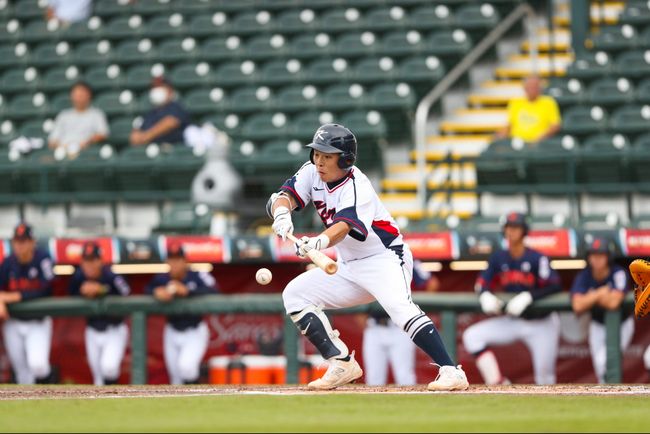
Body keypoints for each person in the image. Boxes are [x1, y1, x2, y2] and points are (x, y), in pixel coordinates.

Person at [268, 123, 468, 391]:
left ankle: (451, 371)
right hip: (350, 265)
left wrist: (319, 241)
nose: (319, 162)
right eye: (316, 154)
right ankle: (340, 361)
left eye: (327, 156)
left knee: (400, 309)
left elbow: (344, 226)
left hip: (384, 258)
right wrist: (282, 214)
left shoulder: (357, 185)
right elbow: (284, 196)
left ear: (346, 159)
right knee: (294, 294)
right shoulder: (311, 172)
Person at [462, 212, 562, 385]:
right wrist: (484, 294)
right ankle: (498, 382)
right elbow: (481, 282)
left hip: (541, 322)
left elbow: (555, 285)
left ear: (524, 231)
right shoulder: (499, 257)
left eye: (516, 228)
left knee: (545, 379)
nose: (511, 232)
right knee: (472, 336)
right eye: (508, 227)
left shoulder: (537, 258)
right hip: (513, 319)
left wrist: (529, 296)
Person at [146, 243, 218, 385]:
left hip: (194, 330)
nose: (175, 264)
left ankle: (197, 399)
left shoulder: (197, 275)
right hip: (172, 330)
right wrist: (156, 292)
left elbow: (215, 290)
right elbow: (147, 289)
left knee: (187, 368)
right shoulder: (162, 279)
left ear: (185, 261)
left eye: (178, 259)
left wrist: (188, 291)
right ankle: (184, 406)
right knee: (176, 378)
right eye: (171, 260)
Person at [362, 261, 439, 386]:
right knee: (373, 379)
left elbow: (432, 283)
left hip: (400, 326)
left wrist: (412, 306)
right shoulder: (365, 260)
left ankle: (410, 406)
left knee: (404, 377)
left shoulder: (403, 257)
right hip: (374, 325)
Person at [570, 237, 634, 384]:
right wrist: (599, 293)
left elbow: (614, 302)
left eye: (601, 255)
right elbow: (577, 305)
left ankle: (612, 395)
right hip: (597, 324)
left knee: (604, 360)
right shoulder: (584, 275)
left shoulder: (618, 273)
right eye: (593, 255)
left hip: (621, 324)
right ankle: (607, 400)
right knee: (600, 367)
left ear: (608, 257)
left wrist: (590, 296)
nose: (596, 259)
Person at [68, 241, 131, 386]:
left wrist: (101, 290)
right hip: (92, 330)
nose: (89, 265)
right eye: (86, 260)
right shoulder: (78, 277)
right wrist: (82, 291)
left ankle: (113, 399)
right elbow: (69, 294)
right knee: (98, 378)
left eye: (93, 260)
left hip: (114, 329)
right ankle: (106, 406)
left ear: (100, 261)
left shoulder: (111, 276)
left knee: (109, 368)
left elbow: (127, 294)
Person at [0, 223, 55, 384]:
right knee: (22, 374)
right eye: (17, 241)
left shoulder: (43, 259)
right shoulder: (8, 263)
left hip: (37, 321)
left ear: (32, 242)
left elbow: (47, 289)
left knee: (38, 366)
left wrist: (15, 296)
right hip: (13, 322)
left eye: (24, 241)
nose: (20, 245)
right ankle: (35, 407)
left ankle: (51, 396)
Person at [494, 75, 562, 145]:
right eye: (530, 87)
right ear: (524, 88)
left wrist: (539, 139)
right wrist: (501, 137)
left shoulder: (549, 102)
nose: (532, 90)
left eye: (535, 87)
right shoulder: (515, 102)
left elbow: (555, 125)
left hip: (540, 143)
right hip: (517, 142)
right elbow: (509, 124)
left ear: (540, 88)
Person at [48, 81, 109, 157]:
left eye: (82, 93)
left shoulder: (96, 114)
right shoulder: (63, 115)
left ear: (89, 95)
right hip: (63, 152)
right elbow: (52, 140)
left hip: (86, 153)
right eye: (76, 94)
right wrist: (63, 147)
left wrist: (87, 142)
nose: (79, 96)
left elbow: (103, 134)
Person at [130, 77, 190, 146]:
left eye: (160, 87)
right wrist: (138, 137)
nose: (157, 91)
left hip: (176, 149)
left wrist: (147, 136)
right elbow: (135, 136)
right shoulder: (150, 113)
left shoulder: (176, 107)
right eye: (154, 88)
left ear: (170, 91)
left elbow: (170, 122)